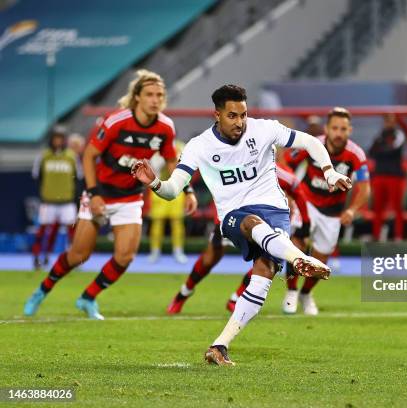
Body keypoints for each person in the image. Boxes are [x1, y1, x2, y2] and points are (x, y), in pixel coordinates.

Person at [132, 84, 351, 365]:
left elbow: (310, 142)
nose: (240, 122)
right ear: (217, 115)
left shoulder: (263, 129)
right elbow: (173, 189)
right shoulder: (199, 146)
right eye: (233, 116)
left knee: (263, 275)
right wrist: (154, 182)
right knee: (249, 224)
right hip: (234, 215)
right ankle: (298, 259)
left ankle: (219, 346)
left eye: (243, 115)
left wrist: (329, 172)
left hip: (274, 210)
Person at [24, 69, 197, 320]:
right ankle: (42, 290)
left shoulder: (165, 127)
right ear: (137, 97)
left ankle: (88, 297)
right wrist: (93, 194)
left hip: (130, 196)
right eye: (149, 94)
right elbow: (89, 155)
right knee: (78, 256)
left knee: (125, 256)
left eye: (160, 94)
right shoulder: (116, 121)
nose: (155, 99)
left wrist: (188, 190)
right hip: (101, 193)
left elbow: (172, 160)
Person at [165, 161, 310, 314]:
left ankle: (235, 299)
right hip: (234, 215)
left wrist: (306, 223)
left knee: (268, 259)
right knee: (209, 259)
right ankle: (184, 292)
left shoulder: (275, 170)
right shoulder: (236, 162)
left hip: (266, 220)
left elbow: (297, 190)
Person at [282, 107, 371, 315]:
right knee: (296, 244)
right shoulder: (312, 144)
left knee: (321, 261)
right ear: (327, 129)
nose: (338, 133)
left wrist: (352, 210)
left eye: (343, 129)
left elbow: (365, 188)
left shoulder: (355, 154)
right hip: (306, 204)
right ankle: (292, 291)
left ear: (350, 130)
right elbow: (286, 161)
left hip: (333, 213)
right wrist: (288, 191)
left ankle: (306, 294)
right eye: (334, 128)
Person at [31, 126, 82, 269]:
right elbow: (37, 176)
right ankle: (37, 257)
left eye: (61, 138)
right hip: (48, 201)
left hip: (67, 201)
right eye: (55, 138)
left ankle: (74, 259)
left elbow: (78, 177)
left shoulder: (71, 156)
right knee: (42, 230)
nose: (58, 141)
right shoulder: (44, 156)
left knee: (72, 231)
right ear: (51, 139)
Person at [148, 140, 191, 264]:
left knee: (177, 223)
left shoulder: (180, 147)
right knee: (157, 223)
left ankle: (178, 251)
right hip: (158, 188)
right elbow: (155, 168)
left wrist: (173, 156)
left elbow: (183, 167)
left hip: (176, 189)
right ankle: (155, 251)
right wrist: (165, 157)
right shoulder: (155, 148)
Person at [368, 113, 406, 241]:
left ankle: (398, 235)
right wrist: (380, 148)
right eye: (387, 121)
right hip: (379, 175)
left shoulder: (399, 135)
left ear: (395, 122)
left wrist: (381, 149)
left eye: (391, 120)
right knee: (377, 207)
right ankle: (376, 235)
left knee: (397, 208)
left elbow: (393, 149)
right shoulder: (379, 136)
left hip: (394, 177)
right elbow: (371, 152)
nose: (389, 123)